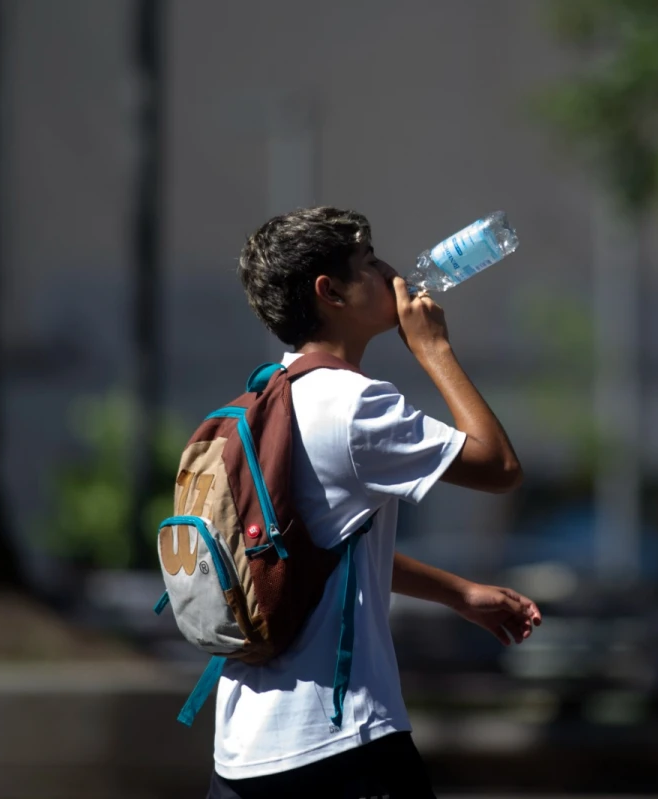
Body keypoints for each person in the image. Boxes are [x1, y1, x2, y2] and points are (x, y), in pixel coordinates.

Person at [208, 207, 541, 798]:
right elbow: (499, 466)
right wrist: (434, 349)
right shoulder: (355, 404)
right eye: (369, 262)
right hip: (342, 743)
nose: (392, 273)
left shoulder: (260, 403)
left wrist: (458, 593)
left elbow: (321, 548)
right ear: (329, 291)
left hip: (240, 755)